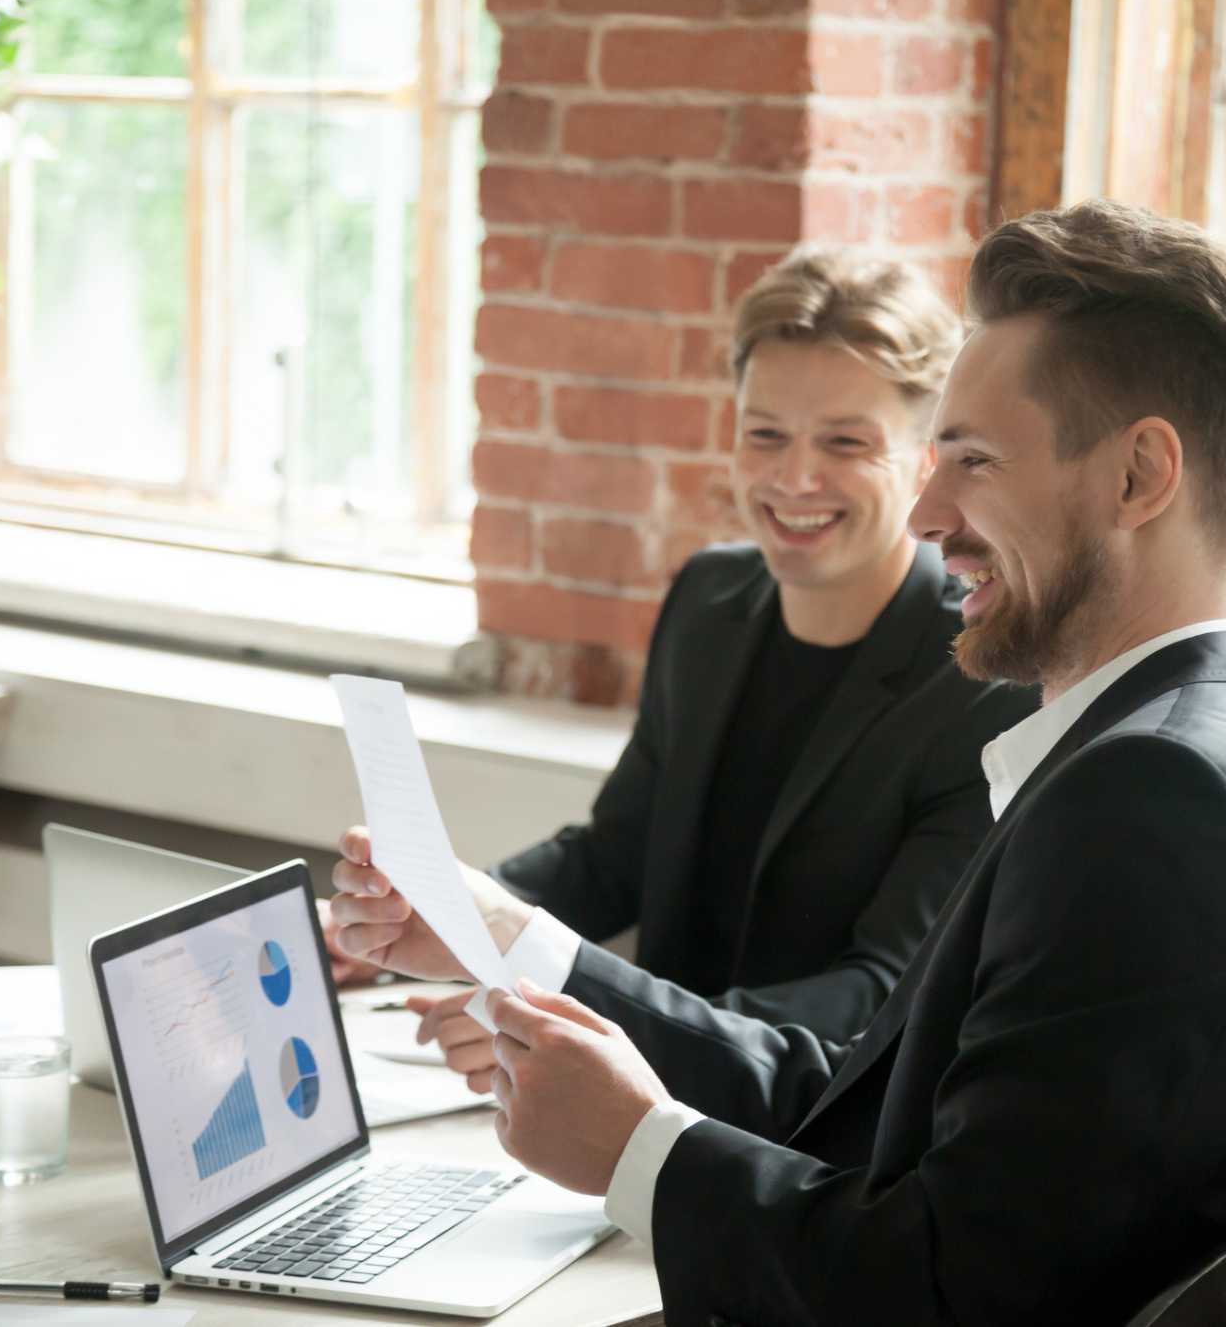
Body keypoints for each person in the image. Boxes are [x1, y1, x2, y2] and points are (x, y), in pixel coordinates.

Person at [332, 200, 1226, 1326]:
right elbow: (857, 1104)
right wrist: (522, 945)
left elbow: (950, 1289)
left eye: (973, 461)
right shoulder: (1170, 753)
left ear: (1138, 478)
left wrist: (639, 1152)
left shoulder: (1154, 801)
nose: (929, 512)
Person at [330, 251, 1036, 1050]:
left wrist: (580, 1016)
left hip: (810, 1140)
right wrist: (434, 916)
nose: (795, 477)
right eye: (764, 435)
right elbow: (615, 857)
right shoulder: (710, 600)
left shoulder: (984, 679)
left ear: (925, 459)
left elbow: (875, 995)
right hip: (630, 1106)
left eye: (845, 443)